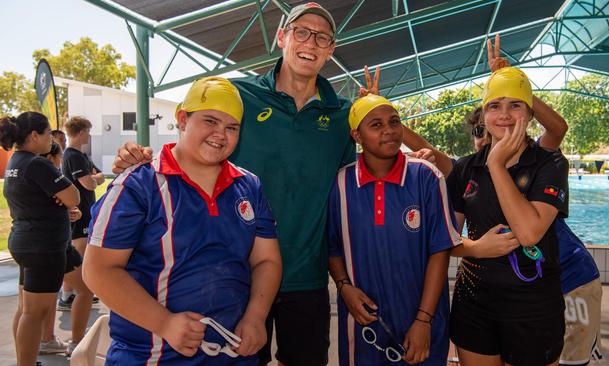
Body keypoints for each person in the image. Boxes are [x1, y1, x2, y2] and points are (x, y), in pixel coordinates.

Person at [110, 3, 437, 365]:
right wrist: (141, 156)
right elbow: (199, 139)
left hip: (307, 275)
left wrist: (414, 155)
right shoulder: (240, 96)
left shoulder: (343, 113)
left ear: (330, 51)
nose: (311, 42)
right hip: (237, 277)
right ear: (281, 37)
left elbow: (373, 161)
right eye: (301, 32)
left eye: (322, 37)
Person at [83, 76, 282, 365]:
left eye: (231, 127)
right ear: (182, 119)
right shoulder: (138, 185)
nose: (220, 134)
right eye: (210, 121)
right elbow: (98, 270)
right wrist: (164, 323)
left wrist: (255, 316)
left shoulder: (248, 185)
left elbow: (267, 260)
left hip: (232, 355)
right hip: (150, 357)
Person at [446, 65, 569, 366]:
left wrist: (497, 165)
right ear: (484, 115)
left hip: (534, 308)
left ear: (529, 113)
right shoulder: (465, 168)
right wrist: (475, 248)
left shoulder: (549, 163)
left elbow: (529, 233)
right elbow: (443, 239)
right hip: (474, 303)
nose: (504, 114)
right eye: (494, 106)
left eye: (515, 105)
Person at [327, 94, 460, 365]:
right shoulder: (341, 183)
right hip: (363, 322)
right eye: (376, 125)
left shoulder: (426, 177)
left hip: (421, 319)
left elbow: (440, 251)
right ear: (357, 135)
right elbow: (332, 247)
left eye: (395, 122)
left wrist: (424, 319)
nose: (389, 130)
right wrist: (343, 287)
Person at [0, 112, 80, 366]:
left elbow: (55, 199)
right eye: (47, 133)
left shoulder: (16, 161)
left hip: (34, 241)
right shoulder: (36, 163)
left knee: (29, 308)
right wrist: (64, 200)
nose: (51, 139)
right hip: (42, 246)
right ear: (34, 135)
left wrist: (60, 203)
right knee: (34, 313)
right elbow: (74, 196)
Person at [38, 141, 94, 356]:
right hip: (54, 244)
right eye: (60, 158)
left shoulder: (26, 173)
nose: (62, 163)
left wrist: (71, 213)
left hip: (37, 243)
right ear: (52, 158)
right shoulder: (46, 174)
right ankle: (76, 342)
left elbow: (64, 207)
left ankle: (46, 340)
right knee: (85, 289)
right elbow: (75, 196)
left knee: (39, 300)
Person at [59, 116, 104, 310]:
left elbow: (99, 175)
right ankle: (69, 295)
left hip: (86, 210)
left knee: (80, 255)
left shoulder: (82, 155)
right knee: (78, 255)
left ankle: (70, 294)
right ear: (80, 132)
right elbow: (90, 182)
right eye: (87, 131)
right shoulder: (73, 156)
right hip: (80, 212)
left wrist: (96, 177)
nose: (89, 135)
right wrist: (95, 178)